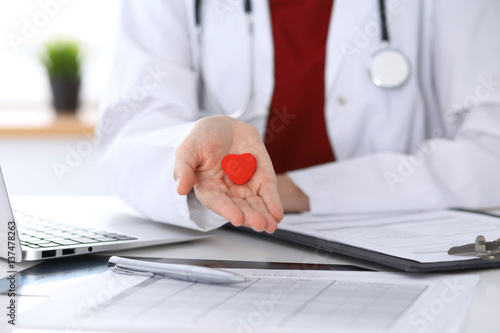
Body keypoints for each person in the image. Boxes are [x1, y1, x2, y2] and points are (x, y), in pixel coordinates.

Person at [98, 0, 500, 234]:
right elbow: (131, 131)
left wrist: (300, 191)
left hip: (395, 246)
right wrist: (190, 148)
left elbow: (492, 152)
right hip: (224, 248)